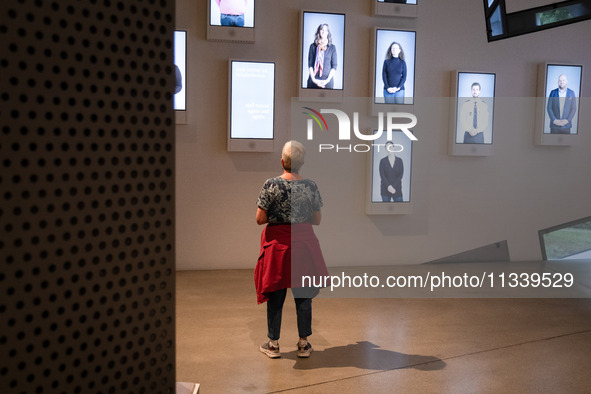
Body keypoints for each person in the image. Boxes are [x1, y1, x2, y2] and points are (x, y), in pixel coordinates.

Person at [255, 141, 328, 359]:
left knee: (276, 294)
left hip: (278, 246)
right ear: (302, 162)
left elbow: (260, 218)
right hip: (304, 245)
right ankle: (304, 344)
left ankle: (273, 344)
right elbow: (317, 220)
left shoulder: (271, 185)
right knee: (303, 296)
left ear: (282, 161)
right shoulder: (311, 186)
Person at [307, 24, 337, 89]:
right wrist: (314, 80)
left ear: (328, 32)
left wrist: (327, 80)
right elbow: (310, 65)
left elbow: (334, 66)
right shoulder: (312, 46)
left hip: (327, 83)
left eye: (326, 30)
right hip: (313, 83)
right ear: (319, 31)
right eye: (322, 29)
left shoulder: (332, 48)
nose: (323, 31)